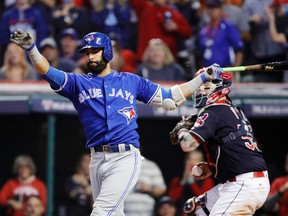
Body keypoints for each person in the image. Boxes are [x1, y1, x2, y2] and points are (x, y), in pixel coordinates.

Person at [10, 28, 222, 215]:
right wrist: (32, 50)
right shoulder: (78, 83)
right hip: (96, 159)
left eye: (95, 51)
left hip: (125, 157)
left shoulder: (130, 80)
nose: (90, 57)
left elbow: (170, 99)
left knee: (102, 211)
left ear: (108, 52)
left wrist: (201, 79)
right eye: (87, 53)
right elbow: (47, 71)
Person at [169, 70, 270, 215]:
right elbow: (233, 148)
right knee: (194, 209)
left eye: (206, 86)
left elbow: (187, 144)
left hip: (243, 184)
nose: (200, 90)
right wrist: (213, 167)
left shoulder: (214, 110)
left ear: (220, 87)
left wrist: (182, 131)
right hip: (242, 182)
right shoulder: (232, 111)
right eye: (200, 86)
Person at [168, 150, 214, 216]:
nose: (192, 163)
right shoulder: (177, 180)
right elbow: (172, 199)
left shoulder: (207, 180)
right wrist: (184, 180)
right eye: (189, 159)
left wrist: (191, 181)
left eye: (195, 160)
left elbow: (204, 199)